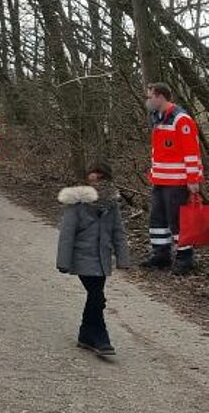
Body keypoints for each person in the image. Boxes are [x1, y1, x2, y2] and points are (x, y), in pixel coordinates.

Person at [56, 161, 131, 356]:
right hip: (83, 258)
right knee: (97, 297)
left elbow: (118, 232)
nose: (95, 179)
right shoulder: (76, 203)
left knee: (95, 297)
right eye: (92, 175)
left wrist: (123, 258)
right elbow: (67, 234)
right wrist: (63, 262)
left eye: (100, 176)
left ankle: (86, 334)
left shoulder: (111, 205)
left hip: (102, 259)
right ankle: (101, 338)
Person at [142, 82, 203, 275]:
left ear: (160, 96)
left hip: (177, 182)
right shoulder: (158, 118)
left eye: (150, 96)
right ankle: (161, 255)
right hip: (160, 180)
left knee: (177, 221)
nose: (148, 100)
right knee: (157, 220)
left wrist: (192, 179)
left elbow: (191, 152)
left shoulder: (180, 119)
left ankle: (185, 259)